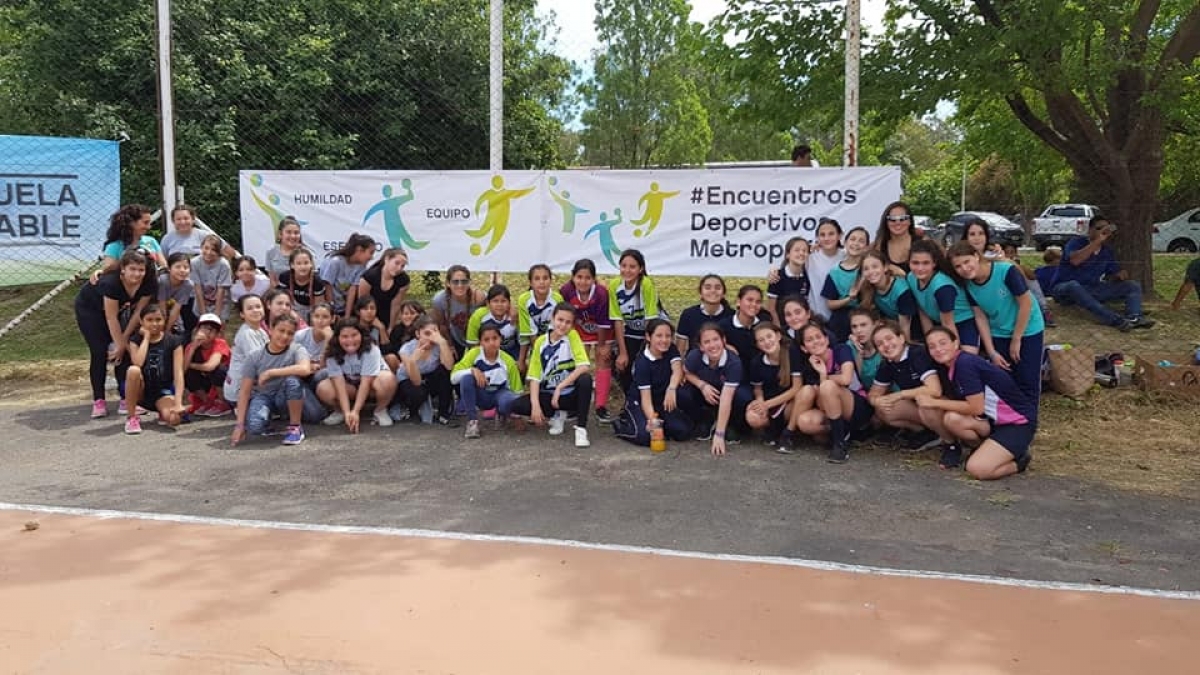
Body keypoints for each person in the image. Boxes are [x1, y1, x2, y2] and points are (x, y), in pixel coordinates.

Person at [917, 327, 1036, 479]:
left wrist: (934, 403)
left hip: (1017, 423)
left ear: (955, 343)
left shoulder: (965, 363)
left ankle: (1019, 462)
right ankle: (982, 449)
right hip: (992, 421)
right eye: (932, 346)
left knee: (977, 469)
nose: (938, 349)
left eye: (942, 343)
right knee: (952, 419)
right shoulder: (951, 366)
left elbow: (975, 407)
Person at [948, 241, 1046, 410]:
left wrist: (1017, 338)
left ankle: (1029, 419)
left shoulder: (1005, 271)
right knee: (1004, 377)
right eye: (958, 266)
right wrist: (991, 351)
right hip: (999, 330)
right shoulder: (968, 285)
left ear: (976, 257)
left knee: (1027, 377)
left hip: (1027, 328)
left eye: (967, 262)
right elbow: (980, 317)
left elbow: (1026, 303)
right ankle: (1011, 417)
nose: (964, 269)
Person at [75, 249, 157, 419]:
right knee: (99, 351)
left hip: (118, 312)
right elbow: (110, 317)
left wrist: (123, 341)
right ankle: (99, 400)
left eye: (141, 270)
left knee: (124, 351)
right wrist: (119, 343)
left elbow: (137, 314)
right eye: (132, 269)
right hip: (90, 311)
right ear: (123, 269)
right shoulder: (110, 283)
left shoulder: (149, 282)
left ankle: (125, 400)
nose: (137, 274)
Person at [229, 314, 327, 446]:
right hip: (265, 395)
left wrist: (271, 373)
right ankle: (278, 419)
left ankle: (295, 427)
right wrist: (239, 425)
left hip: (288, 393)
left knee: (315, 415)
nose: (285, 336)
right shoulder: (255, 355)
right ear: (270, 329)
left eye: (290, 333)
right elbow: (244, 391)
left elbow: (305, 369)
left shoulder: (297, 349)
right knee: (255, 427)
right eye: (281, 331)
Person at [511, 303, 594, 448]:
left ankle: (581, 429)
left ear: (572, 325)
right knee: (517, 405)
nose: (563, 325)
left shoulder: (572, 336)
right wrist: (535, 406)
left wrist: (560, 387)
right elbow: (535, 378)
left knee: (585, 380)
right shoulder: (540, 343)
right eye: (560, 320)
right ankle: (557, 415)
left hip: (569, 395)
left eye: (568, 322)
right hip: (550, 395)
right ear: (552, 319)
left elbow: (584, 366)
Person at [1050, 215, 1154, 331]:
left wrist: (1119, 275)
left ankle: (1134, 317)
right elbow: (1075, 260)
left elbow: (1114, 273)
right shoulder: (1076, 242)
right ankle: (1116, 320)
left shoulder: (1106, 251)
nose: (1103, 232)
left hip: (1091, 289)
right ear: (1090, 230)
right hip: (1065, 289)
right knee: (1073, 285)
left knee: (1132, 286)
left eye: (1106, 229)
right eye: (1099, 228)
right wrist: (1097, 241)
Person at [792, 322, 873, 463]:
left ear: (827, 339)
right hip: (831, 410)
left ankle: (839, 444)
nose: (816, 341)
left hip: (856, 404)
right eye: (809, 340)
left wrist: (824, 374)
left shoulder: (841, 350)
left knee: (827, 386)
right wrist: (820, 372)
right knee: (805, 422)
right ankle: (844, 431)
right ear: (804, 348)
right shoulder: (809, 366)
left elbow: (846, 379)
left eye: (819, 336)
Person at [614, 319, 692, 447]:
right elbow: (645, 398)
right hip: (640, 401)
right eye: (659, 336)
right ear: (648, 337)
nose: (664, 340)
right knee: (644, 437)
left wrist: (671, 389)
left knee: (683, 431)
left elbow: (677, 370)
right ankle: (621, 424)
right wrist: (652, 420)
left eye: (668, 336)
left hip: (661, 400)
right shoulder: (642, 363)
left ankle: (663, 422)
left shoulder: (671, 348)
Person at [867, 321, 942, 451]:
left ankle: (948, 439)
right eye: (879, 344)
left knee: (924, 402)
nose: (886, 345)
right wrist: (876, 400)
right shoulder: (887, 363)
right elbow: (873, 393)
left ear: (901, 338)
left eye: (889, 338)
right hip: (918, 405)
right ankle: (925, 432)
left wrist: (900, 394)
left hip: (943, 402)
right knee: (883, 409)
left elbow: (935, 390)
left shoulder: (917, 353)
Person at [317, 319, 397, 431]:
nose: (350, 340)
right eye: (344, 336)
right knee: (323, 388)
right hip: (349, 386)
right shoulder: (332, 352)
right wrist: (347, 413)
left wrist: (356, 411)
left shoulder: (371, 349)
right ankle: (340, 411)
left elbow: (366, 382)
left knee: (388, 379)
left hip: (372, 385)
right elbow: (339, 384)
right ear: (338, 338)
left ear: (361, 335)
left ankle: (380, 410)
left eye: (354, 335)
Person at [560, 259, 613, 423]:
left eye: (587, 278)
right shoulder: (566, 291)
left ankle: (600, 406)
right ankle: (575, 404)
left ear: (594, 279)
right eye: (579, 277)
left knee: (603, 360)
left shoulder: (601, 293)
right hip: (579, 330)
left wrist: (602, 345)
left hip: (601, 331)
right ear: (573, 277)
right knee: (579, 364)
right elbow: (564, 315)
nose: (583, 281)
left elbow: (604, 322)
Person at [677, 323, 743, 455]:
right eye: (707, 342)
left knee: (743, 396)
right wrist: (702, 385)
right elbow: (686, 372)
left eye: (716, 339)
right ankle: (705, 419)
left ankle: (728, 425)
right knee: (682, 393)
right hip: (705, 394)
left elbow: (726, 398)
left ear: (723, 340)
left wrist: (719, 435)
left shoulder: (733, 362)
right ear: (701, 346)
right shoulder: (695, 356)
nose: (712, 345)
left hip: (725, 395)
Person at [905, 238, 980, 353]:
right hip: (939, 323)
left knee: (966, 358)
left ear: (934, 263)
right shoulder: (911, 277)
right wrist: (930, 340)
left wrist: (954, 352)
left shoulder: (942, 287)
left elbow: (948, 323)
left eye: (926, 263)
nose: (920, 268)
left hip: (962, 322)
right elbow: (923, 310)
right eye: (915, 263)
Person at [121, 304, 187, 434]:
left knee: (174, 419)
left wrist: (178, 402)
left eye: (158, 320)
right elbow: (138, 362)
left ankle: (162, 411)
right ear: (141, 321)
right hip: (141, 391)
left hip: (162, 392)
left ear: (164, 320)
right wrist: (146, 338)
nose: (154, 324)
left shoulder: (174, 341)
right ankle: (132, 416)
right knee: (133, 370)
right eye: (149, 320)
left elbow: (178, 373)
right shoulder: (135, 340)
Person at [451, 325, 524, 439]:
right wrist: (472, 370)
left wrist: (517, 415)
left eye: (495, 338)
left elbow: (517, 390)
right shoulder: (474, 354)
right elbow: (453, 377)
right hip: (480, 394)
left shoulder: (507, 360)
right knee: (466, 378)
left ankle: (502, 414)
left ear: (501, 339)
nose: (491, 343)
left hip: (498, 394)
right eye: (486, 340)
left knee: (509, 400)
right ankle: (472, 421)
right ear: (480, 342)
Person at [610, 249, 666, 395]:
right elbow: (617, 321)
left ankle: (653, 395)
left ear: (640, 269)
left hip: (652, 330)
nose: (627, 270)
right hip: (631, 330)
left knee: (645, 362)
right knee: (621, 363)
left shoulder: (646, 284)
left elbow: (651, 320)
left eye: (632, 267)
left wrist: (647, 349)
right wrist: (622, 353)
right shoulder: (614, 285)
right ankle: (630, 399)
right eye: (624, 266)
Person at [745, 322, 804, 448]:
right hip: (770, 400)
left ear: (778, 336)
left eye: (769, 336)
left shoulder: (791, 352)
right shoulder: (757, 362)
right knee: (752, 417)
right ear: (757, 345)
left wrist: (767, 405)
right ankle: (771, 428)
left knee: (801, 399)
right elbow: (758, 388)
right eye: (761, 340)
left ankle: (788, 433)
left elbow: (797, 387)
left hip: (789, 400)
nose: (767, 342)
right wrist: (760, 402)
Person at [394, 316, 458, 426]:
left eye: (435, 333)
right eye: (427, 334)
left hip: (429, 377)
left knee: (444, 373)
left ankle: (443, 413)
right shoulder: (407, 349)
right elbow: (417, 382)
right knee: (419, 392)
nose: (432, 338)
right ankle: (411, 410)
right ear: (418, 334)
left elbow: (449, 366)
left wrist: (442, 343)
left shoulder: (439, 345)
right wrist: (413, 361)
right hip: (409, 380)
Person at [92, 204, 164, 282]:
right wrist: (129, 258)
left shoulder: (151, 241)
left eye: (149, 223)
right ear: (131, 223)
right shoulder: (115, 246)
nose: (149, 227)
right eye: (145, 223)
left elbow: (163, 266)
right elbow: (107, 271)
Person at [822, 226, 869, 342]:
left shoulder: (869, 269)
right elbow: (830, 304)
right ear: (845, 242)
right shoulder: (834, 272)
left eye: (861, 241)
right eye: (852, 239)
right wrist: (849, 298)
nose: (856, 244)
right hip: (840, 324)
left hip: (864, 322)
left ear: (866, 247)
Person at [430, 264, 487, 357]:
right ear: (448, 283)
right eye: (455, 282)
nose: (460, 285)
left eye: (464, 281)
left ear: (469, 282)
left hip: (477, 338)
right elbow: (442, 325)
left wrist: (511, 309)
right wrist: (449, 345)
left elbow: (498, 301)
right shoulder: (440, 300)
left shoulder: (479, 297)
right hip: (454, 338)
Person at [223, 294, 271, 405]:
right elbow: (259, 364)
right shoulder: (247, 333)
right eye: (249, 308)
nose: (255, 310)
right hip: (240, 393)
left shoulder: (260, 331)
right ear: (242, 314)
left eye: (258, 306)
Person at [860, 250, 916, 343]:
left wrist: (904, 347)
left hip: (911, 331)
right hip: (891, 327)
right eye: (866, 269)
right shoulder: (869, 288)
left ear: (885, 267)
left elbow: (905, 325)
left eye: (875, 266)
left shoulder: (901, 291)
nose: (871, 272)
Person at [183, 313, 232, 417]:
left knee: (218, 370)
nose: (207, 332)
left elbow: (211, 366)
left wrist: (191, 365)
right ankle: (208, 402)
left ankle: (223, 402)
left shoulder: (220, 343)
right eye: (205, 328)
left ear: (217, 334)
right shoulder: (191, 347)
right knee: (187, 374)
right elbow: (182, 369)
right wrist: (193, 348)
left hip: (226, 381)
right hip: (207, 381)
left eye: (212, 330)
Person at [517, 264, 563, 372]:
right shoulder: (524, 300)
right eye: (537, 279)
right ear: (530, 282)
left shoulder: (557, 299)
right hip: (532, 338)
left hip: (552, 337)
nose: (542, 282)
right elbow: (528, 331)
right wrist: (534, 352)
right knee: (530, 366)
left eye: (545, 278)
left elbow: (557, 328)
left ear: (551, 281)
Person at [321, 233, 377, 318]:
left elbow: (352, 290)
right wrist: (331, 310)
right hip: (329, 308)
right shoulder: (335, 262)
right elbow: (328, 285)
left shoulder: (361, 266)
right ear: (359, 249)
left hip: (343, 308)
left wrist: (347, 315)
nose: (372, 257)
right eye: (371, 253)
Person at [675, 274, 733, 354]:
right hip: (695, 363)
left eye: (718, 288)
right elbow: (679, 349)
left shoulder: (732, 315)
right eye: (708, 287)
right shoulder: (688, 314)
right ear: (700, 292)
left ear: (723, 293)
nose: (713, 291)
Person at [356, 248, 410, 332]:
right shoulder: (369, 276)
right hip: (368, 314)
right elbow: (362, 304)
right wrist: (375, 323)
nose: (399, 268)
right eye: (396, 263)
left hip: (387, 315)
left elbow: (396, 304)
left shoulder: (403, 280)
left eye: (402, 266)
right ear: (387, 259)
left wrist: (391, 327)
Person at [1001, 243, 1055, 327]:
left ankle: (1045, 310)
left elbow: (1033, 277)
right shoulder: (998, 266)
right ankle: (1043, 310)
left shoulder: (1018, 266)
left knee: (1030, 281)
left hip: (1022, 292)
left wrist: (1018, 266)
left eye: (1012, 252)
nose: (1010, 255)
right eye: (1007, 252)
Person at [160, 204, 238, 259]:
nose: (182, 222)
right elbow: (163, 261)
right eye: (178, 219)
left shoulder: (205, 236)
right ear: (173, 221)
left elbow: (230, 253)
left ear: (193, 219)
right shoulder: (167, 239)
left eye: (186, 218)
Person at [465, 284, 520, 361]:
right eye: (495, 301)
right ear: (488, 303)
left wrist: (521, 361)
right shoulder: (479, 316)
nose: (499, 305)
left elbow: (523, 340)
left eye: (503, 301)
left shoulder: (514, 315)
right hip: (486, 356)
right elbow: (472, 344)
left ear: (509, 303)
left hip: (512, 355)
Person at [807, 218, 848, 321]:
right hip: (816, 318)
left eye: (831, 234)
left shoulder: (847, 256)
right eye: (822, 235)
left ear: (839, 235)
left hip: (842, 317)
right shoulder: (809, 258)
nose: (827, 238)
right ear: (817, 238)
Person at [276, 248, 330, 322]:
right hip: (291, 309)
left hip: (311, 310)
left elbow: (319, 308)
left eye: (306, 263)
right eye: (299, 263)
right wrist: (294, 316)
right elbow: (283, 301)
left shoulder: (317, 281)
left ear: (311, 264)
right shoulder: (285, 277)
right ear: (292, 265)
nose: (303, 267)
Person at [765, 237, 811, 324]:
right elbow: (771, 309)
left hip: (800, 325)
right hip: (782, 326)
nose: (801, 253)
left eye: (805, 250)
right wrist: (779, 330)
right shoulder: (777, 276)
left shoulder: (807, 276)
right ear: (788, 254)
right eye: (797, 250)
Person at [719, 285, 769, 362]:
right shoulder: (724, 326)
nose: (754, 304)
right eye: (750, 300)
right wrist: (724, 346)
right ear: (739, 302)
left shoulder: (765, 324)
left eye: (758, 302)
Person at [191, 234, 233, 319]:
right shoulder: (194, 263)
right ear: (201, 247)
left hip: (220, 303)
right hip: (202, 301)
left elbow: (221, 290)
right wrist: (203, 315)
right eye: (206, 248)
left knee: (218, 327)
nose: (209, 252)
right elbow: (197, 289)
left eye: (213, 250)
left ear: (218, 251)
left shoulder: (223, 264)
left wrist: (216, 316)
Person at [875, 201, 919, 277]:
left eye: (903, 218)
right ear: (886, 222)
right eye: (892, 219)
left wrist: (903, 275)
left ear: (910, 221)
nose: (898, 222)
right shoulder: (879, 245)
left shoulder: (923, 242)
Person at [264, 216, 310, 286]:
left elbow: (312, 279)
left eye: (296, 233)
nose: (293, 236)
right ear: (280, 234)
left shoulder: (307, 253)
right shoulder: (271, 253)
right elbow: (272, 280)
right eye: (288, 232)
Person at [845, 308, 883, 390]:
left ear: (875, 324)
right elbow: (855, 383)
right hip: (864, 395)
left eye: (863, 325)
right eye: (854, 326)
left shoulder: (884, 343)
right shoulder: (849, 346)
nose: (858, 330)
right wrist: (859, 353)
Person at [157, 252, 195, 335]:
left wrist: (167, 330)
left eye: (186, 267)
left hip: (171, 308)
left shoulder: (188, 285)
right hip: (156, 307)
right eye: (178, 267)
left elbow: (177, 309)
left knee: (180, 330)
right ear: (169, 268)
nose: (182, 270)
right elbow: (161, 305)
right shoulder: (163, 281)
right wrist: (162, 328)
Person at [383, 300, 424, 372]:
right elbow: (390, 349)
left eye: (412, 313)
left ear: (420, 315)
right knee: (390, 358)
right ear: (401, 316)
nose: (408, 316)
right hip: (401, 363)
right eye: (405, 314)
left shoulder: (423, 329)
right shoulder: (397, 329)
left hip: (419, 361)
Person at [294, 303, 335, 372]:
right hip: (301, 374)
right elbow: (291, 362)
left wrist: (328, 341)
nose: (320, 321)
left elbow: (324, 367)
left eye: (325, 317)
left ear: (333, 319)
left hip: (321, 377)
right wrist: (310, 366)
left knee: (325, 372)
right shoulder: (300, 335)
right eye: (316, 316)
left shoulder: (336, 339)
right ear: (312, 317)